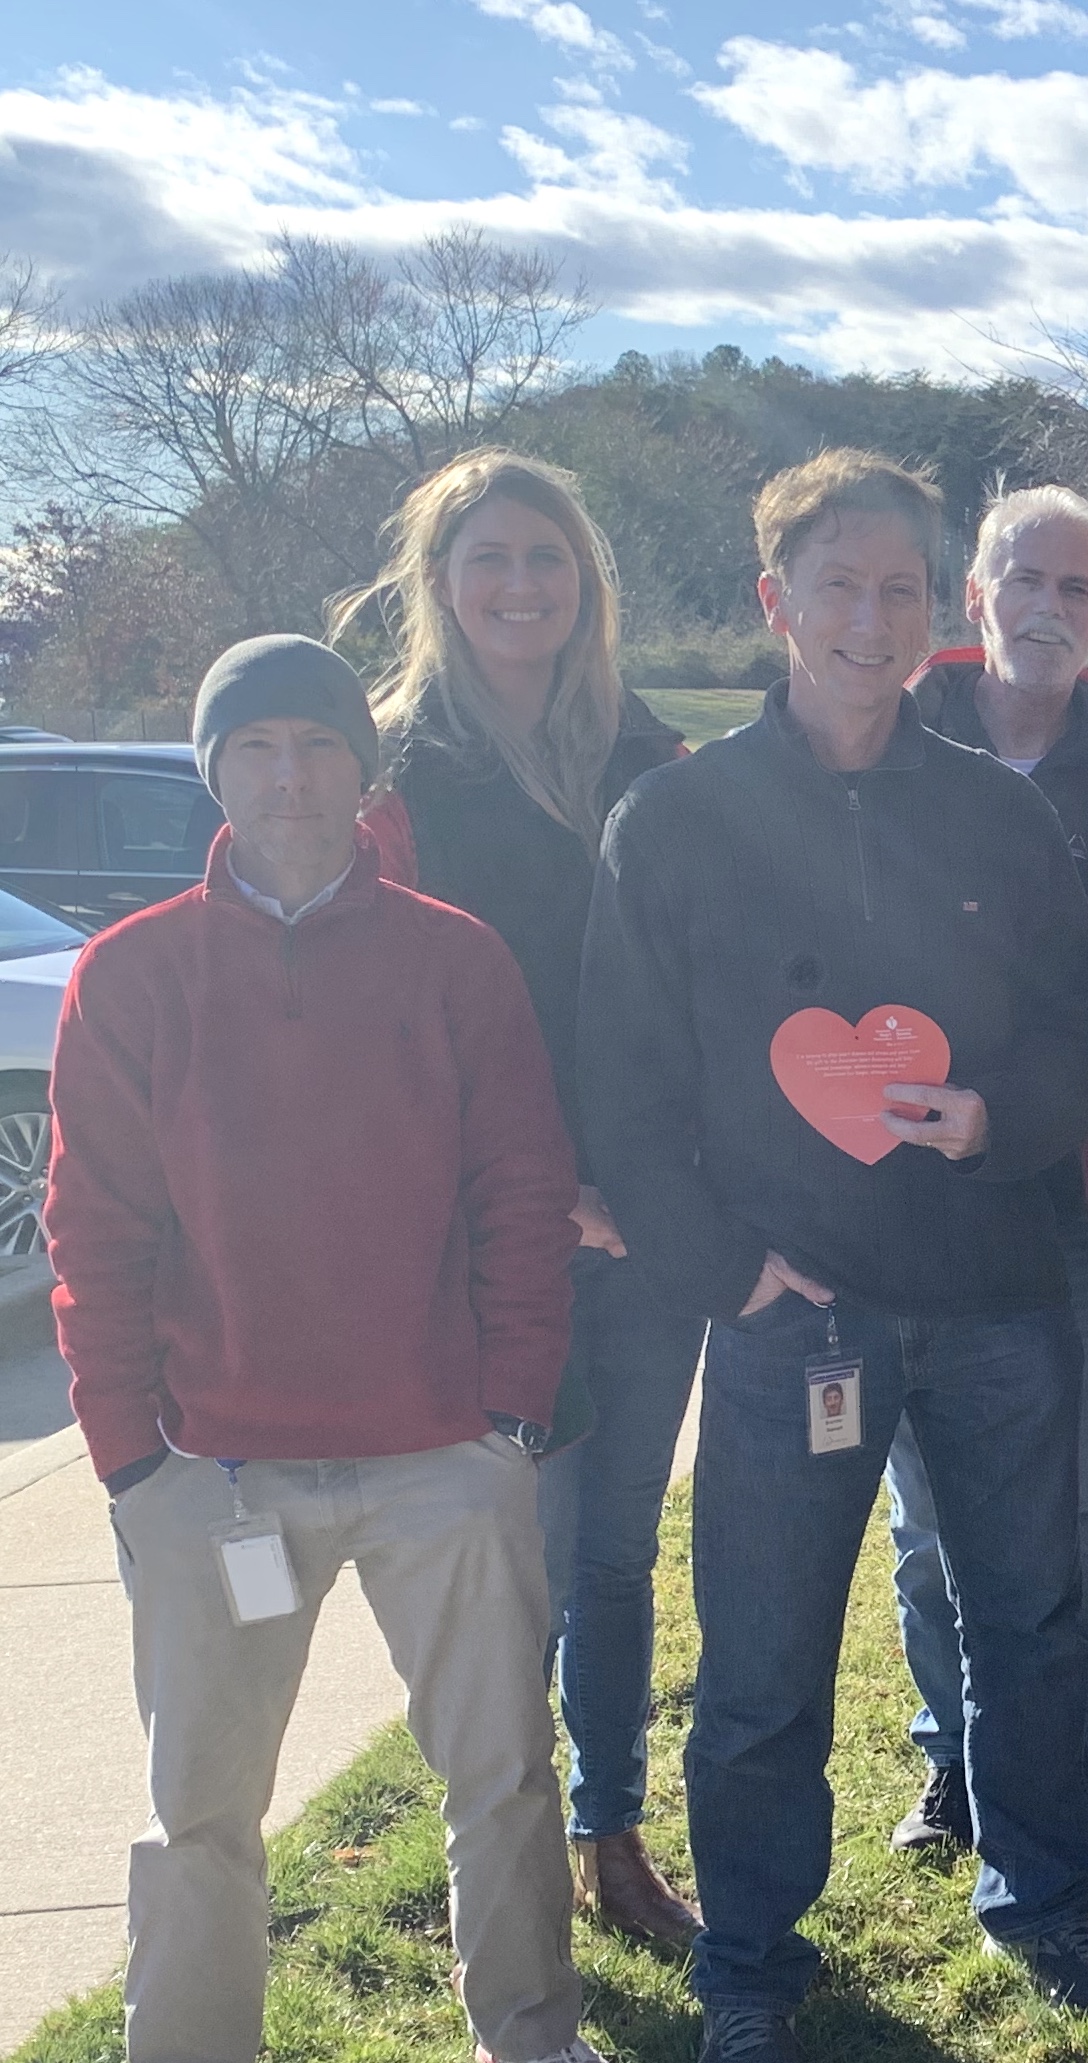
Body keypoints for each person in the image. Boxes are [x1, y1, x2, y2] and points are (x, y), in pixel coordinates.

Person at [581, 450, 1088, 2063]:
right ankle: (750, 1970)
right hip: (788, 1318)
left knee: (1027, 1623)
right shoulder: (677, 820)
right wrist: (728, 1271)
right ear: (775, 602)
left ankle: (1041, 1902)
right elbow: (621, 1087)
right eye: (839, 582)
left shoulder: (993, 809)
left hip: (990, 1297)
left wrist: (1001, 1116)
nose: (871, 617)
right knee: (762, 1662)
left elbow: (1076, 1036)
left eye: (901, 588)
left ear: (934, 612)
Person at [53, 635, 615, 2063]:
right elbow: (92, 1222)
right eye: (257, 749)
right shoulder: (138, 971)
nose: (290, 778)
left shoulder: (454, 959)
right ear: (214, 771)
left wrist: (511, 1406)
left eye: (317, 747)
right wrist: (127, 1458)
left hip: (440, 1450)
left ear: (362, 773)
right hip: (214, 1472)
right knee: (200, 1806)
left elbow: (523, 1185)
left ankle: (532, 2031)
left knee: (503, 1769)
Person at [335, 449, 705, 1948]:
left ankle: (609, 1842)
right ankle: (505, 1853)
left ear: (587, 585)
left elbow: (696, 994)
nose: (521, 587)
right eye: (489, 560)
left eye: (548, 559)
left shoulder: (648, 755)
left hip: (644, 1232)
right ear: (437, 581)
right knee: (509, 1571)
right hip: (483, 1243)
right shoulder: (389, 771)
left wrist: (652, 1190)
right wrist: (542, 1197)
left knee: (611, 1554)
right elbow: (380, 1029)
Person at [884, 486, 1088, 1855]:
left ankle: (1080, 1742)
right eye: (1023, 580)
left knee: (1087, 1495)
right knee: (936, 1504)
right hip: (909, 1196)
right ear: (974, 597)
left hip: (1084, 1188)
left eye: (1075, 588)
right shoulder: (886, 728)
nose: (1046, 608)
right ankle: (957, 1758)